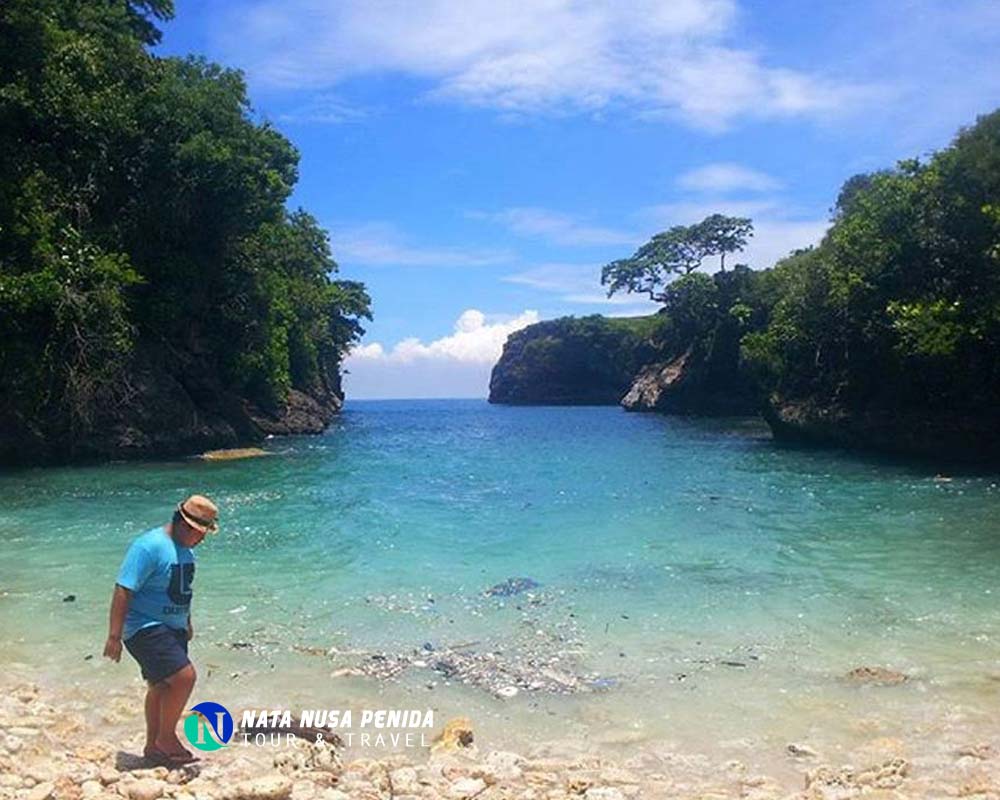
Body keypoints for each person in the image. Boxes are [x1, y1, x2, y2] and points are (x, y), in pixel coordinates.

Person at [103, 494, 219, 766]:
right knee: (185, 677)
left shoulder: (187, 551)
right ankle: (167, 737)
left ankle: (154, 747)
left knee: (161, 686)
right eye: (200, 533)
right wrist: (114, 636)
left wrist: (187, 622)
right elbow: (124, 588)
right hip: (144, 626)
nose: (201, 539)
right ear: (185, 525)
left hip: (173, 628)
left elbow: (181, 590)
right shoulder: (149, 546)